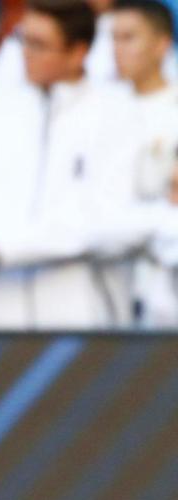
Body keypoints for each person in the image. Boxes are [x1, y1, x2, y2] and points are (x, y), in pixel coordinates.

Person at [0, 0, 152, 331]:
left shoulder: (117, 115)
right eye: (23, 40)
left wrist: (2, 246)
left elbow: (109, 220)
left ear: (78, 52)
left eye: (40, 44)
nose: (26, 53)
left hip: (87, 324)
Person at [113, 0, 178, 328]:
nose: (117, 49)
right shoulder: (97, 112)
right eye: (114, 38)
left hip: (168, 283)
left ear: (161, 44)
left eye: (129, 38)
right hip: (111, 279)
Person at [0, 0, 178, 98]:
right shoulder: (24, 35)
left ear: (78, 52)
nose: (29, 52)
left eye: (126, 39)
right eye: (29, 43)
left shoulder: (129, 22)